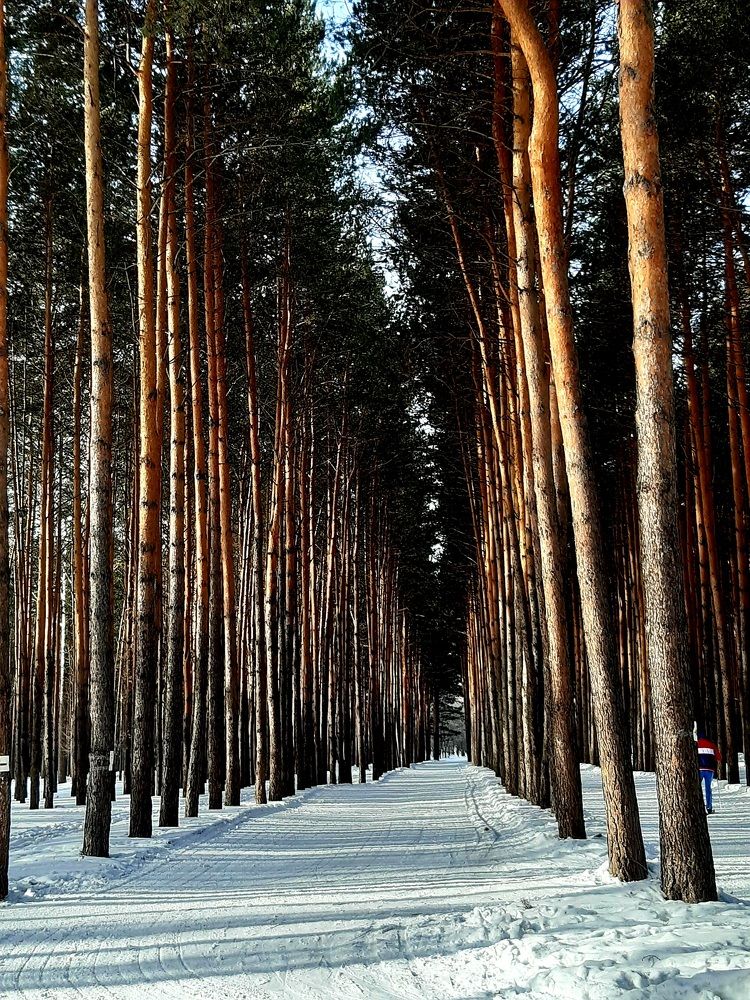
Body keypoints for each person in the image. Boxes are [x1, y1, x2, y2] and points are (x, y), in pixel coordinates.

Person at [697, 733, 722, 815]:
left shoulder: (696, 744)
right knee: (708, 789)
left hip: (699, 769)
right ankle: (709, 807)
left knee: (697, 788)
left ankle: (698, 807)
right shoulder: (712, 745)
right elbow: (719, 757)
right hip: (710, 770)